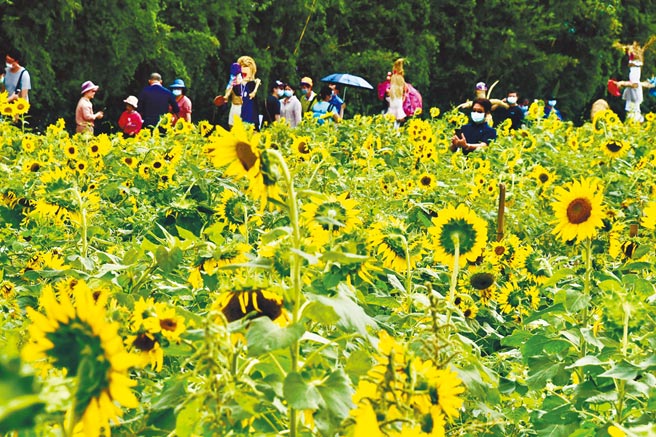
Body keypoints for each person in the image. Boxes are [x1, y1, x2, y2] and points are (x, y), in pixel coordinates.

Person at [237, 56, 261, 128]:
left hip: (250, 121)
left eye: (246, 66)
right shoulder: (239, 85)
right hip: (240, 118)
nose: (243, 68)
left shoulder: (251, 84)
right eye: (242, 66)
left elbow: (257, 81)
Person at [224, 62, 243, 128]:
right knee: (231, 126)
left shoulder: (237, 79)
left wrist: (226, 96)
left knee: (236, 127)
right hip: (235, 105)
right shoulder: (233, 79)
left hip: (239, 106)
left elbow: (230, 89)